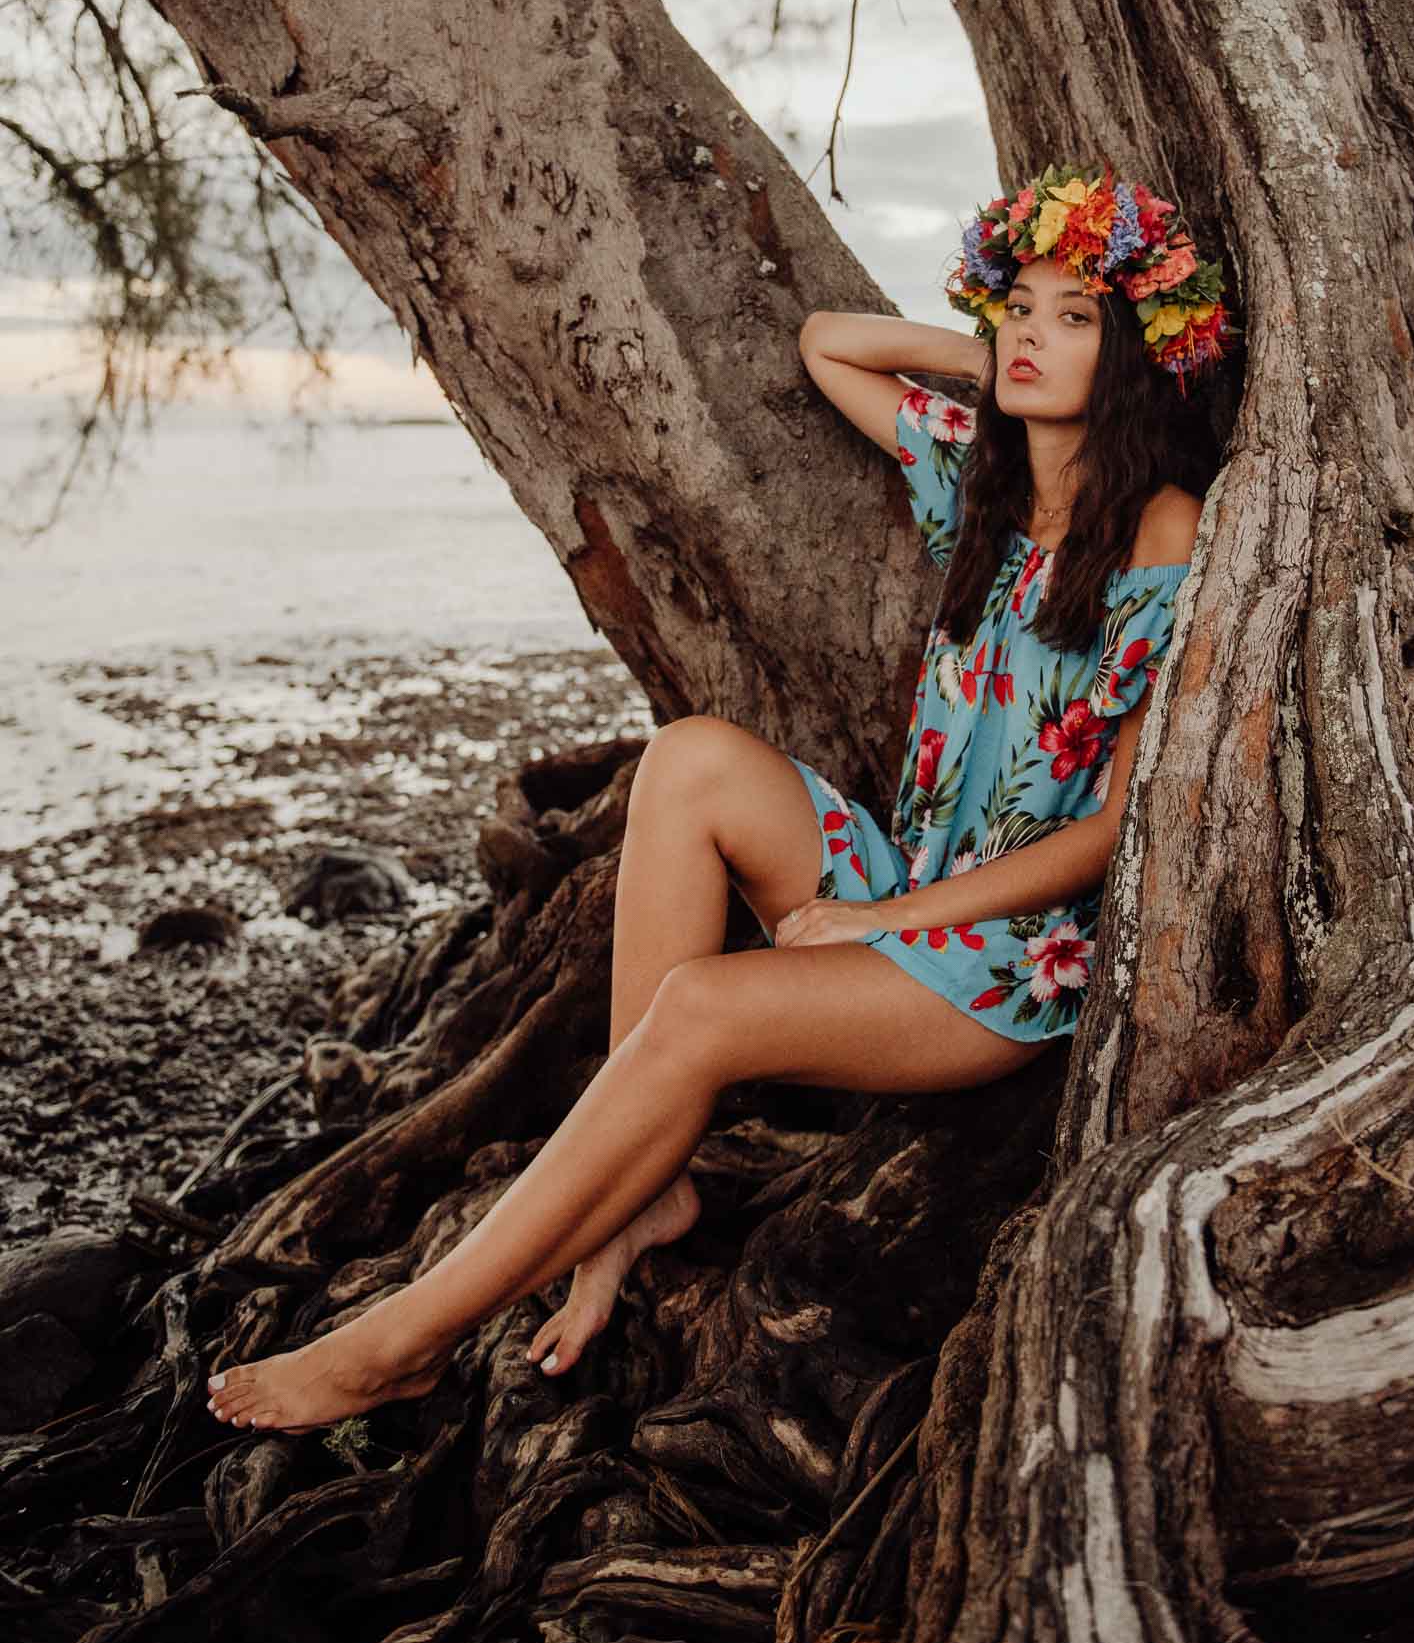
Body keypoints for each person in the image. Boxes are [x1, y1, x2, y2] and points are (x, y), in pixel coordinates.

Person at [207, 157, 1235, 1432]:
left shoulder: (1163, 529)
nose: (1029, 335)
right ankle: (642, 1189)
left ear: (1136, 349)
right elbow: (832, 345)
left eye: (1073, 317)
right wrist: (1001, 358)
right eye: (1016, 307)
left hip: (1015, 964)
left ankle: (401, 1340)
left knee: (700, 1005)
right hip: (914, 886)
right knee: (689, 755)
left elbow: (1109, 830)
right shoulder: (980, 469)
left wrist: (883, 926)